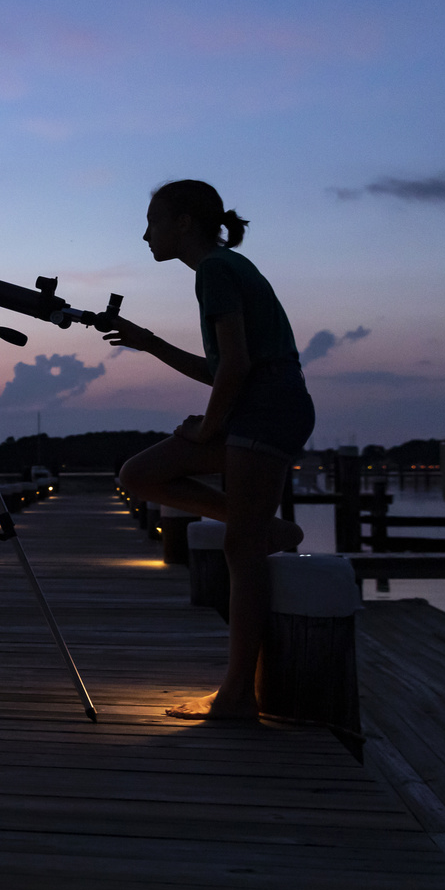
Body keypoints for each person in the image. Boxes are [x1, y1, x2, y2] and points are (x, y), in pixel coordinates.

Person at [104, 179, 314, 720]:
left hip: (266, 410)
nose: (144, 232)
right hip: (258, 408)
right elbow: (219, 368)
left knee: (241, 554)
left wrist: (207, 428)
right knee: (140, 474)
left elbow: (240, 366)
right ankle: (267, 528)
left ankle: (238, 696)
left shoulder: (217, 270)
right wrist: (149, 342)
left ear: (183, 224)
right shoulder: (219, 271)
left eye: (152, 219)